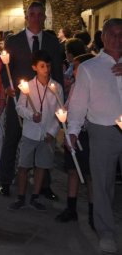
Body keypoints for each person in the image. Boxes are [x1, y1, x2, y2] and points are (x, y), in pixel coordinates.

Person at [67, 18, 122, 254]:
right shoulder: (90, 68)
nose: (117, 39)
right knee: (102, 184)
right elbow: (79, 103)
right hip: (103, 131)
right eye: (112, 34)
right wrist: (72, 130)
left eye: (121, 34)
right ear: (103, 37)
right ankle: (106, 232)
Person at [0, 1, 62, 199]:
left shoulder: (52, 42)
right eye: (32, 14)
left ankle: (44, 185)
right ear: (27, 17)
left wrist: (59, 100)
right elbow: (4, 70)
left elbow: (57, 70)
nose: (35, 18)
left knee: (46, 143)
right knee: (12, 139)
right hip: (20, 99)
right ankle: (6, 181)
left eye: (39, 14)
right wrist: (8, 88)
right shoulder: (14, 41)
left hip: (44, 100)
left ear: (44, 17)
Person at [8, 50, 62, 211]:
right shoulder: (28, 86)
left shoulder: (56, 87)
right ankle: (21, 197)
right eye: (42, 66)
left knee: (41, 167)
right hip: (30, 133)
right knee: (23, 166)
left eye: (48, 66)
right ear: (35, 67)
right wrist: (31, 115)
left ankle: (35, 197)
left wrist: (52, 132)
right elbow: (19, 107)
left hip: (47, 135)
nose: (46, 69)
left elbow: (60, 112)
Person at [55, 53, 94, 228]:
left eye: (76, 67)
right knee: (72, 170)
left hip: (86, 135)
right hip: (72, 133)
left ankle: (94, 212)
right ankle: (71, 209)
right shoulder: (75, 87)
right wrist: (63, 113)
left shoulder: (93, 88)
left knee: (89, 174)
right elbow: (69, 106)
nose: (73, 71)